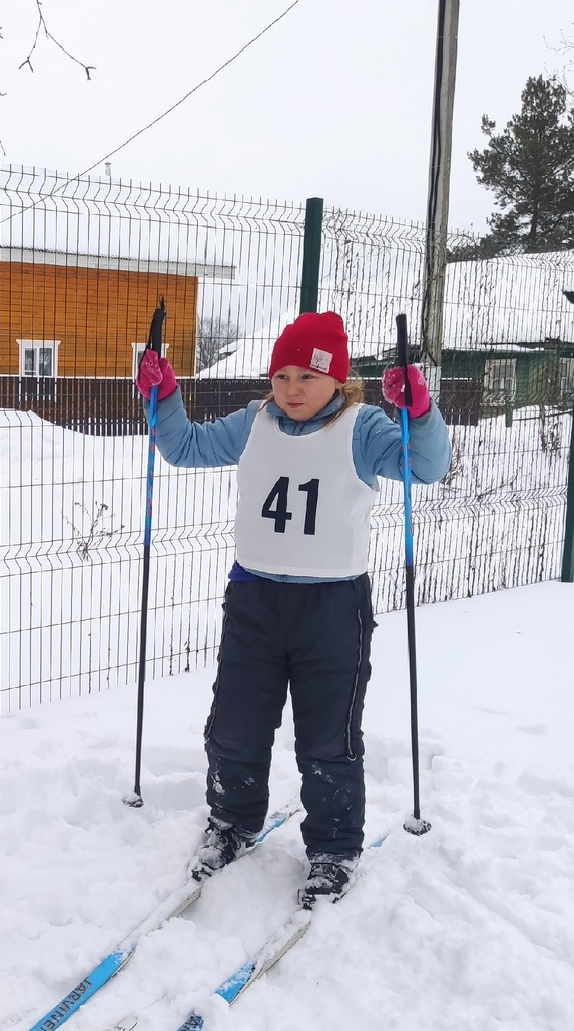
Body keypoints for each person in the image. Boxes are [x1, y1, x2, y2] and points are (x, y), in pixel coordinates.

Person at [134, 310, 451, 908]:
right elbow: (182, 447)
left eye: (308, 375)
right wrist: (166, 395)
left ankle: (333, 849)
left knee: (328, 738)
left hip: (333, 609)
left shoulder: (362, 427)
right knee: (236, 724)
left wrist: (418, 412)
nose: (292, 389)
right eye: (281, 376)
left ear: (338, 379)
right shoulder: (255, 422)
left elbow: (426, 465)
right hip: (255, 599)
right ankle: (233, 822)